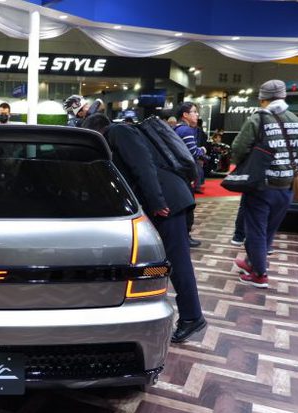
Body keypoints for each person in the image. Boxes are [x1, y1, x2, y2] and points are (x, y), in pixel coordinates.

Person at [81, 112, 207, 343]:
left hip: (166, 201)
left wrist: (157, 201)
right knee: (165, 261)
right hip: (162, 200)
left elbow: (143, 164)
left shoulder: (119, 131)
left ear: (97, 131)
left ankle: (192, 317)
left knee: (178, 263)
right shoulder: (116, 137)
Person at [232, 79, 298, 288]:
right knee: (269, 230)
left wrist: (243, 163)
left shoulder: (258, 119)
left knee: (255, 230)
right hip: (287, 185)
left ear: (262, 99)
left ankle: (259, 274)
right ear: (283, 96)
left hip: (261, 185)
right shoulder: (296, 121)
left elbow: (238, 148)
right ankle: (252, 262)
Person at [174, 102, 204, 247]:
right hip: (184, 175)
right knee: (188, 206)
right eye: (194, 112)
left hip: (178, 174)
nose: (197, 115)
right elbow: (192, 152)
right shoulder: (186, 130)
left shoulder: (177, 129)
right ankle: (185, 237)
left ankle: (182, 236)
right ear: (185, 115)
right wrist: (203, 150)